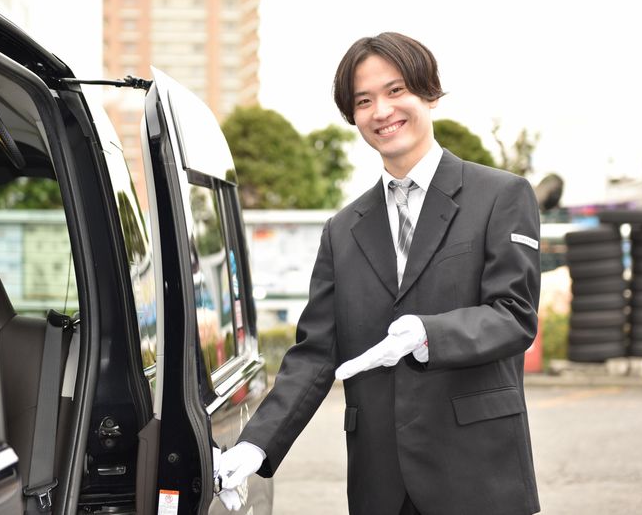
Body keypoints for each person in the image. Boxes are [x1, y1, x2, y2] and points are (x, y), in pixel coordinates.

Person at [217, 32, 541, 515]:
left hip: (477, 472)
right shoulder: (342, 229)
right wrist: (255, 446)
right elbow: (315, 353)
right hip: (380, 482)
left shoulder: (501, 196)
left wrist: (426, 334)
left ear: (428, 93)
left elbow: (513, 315)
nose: (381, 111)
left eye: (395, 91)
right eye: (363, 101)